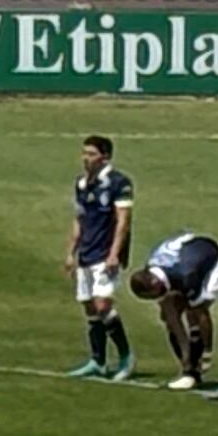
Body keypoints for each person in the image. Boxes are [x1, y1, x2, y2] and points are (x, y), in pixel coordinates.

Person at [67, 133, 136, 378]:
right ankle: (98, 360)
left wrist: (115, 254)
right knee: (89, 307)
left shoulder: (119, 183)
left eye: (92, 154)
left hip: (105, 254)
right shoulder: (81, 184)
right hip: (86, 253)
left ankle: (126, 357)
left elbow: (123, 222)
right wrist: (70, 253)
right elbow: (79, 220)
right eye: (84, 153)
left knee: (103, 304)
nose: (86, 158)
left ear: (105, 157)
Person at [129, 229, 218, 388]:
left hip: (217, 258)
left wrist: (207, 352)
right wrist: (185, 358)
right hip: (189, 252)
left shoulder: (186, 277)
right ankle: (188, 369)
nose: (155, 300)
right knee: (169, 312)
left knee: (195, 311)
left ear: (155, 284)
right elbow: (170, 317)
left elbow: (202, 314)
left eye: (153, 296)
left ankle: (199, 361)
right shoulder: (152, 271)